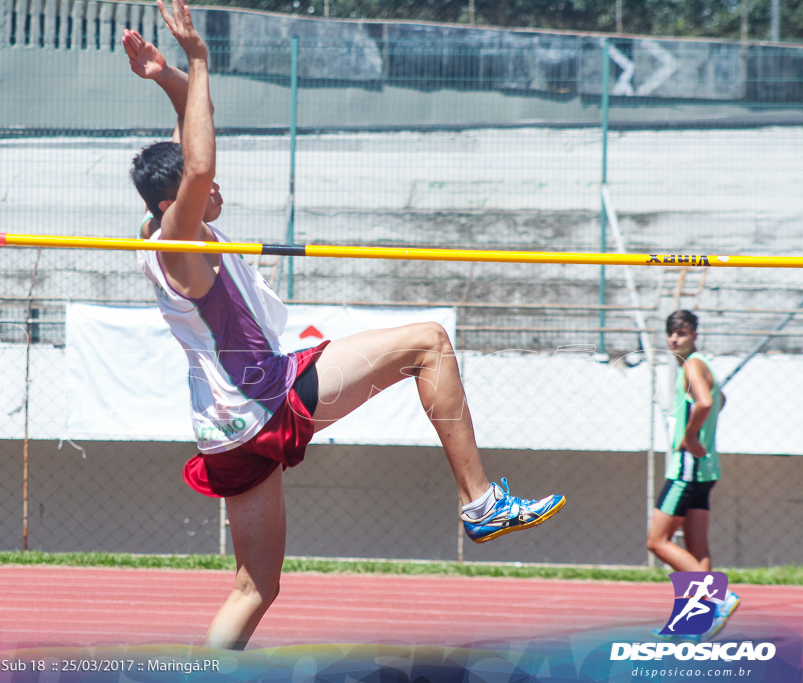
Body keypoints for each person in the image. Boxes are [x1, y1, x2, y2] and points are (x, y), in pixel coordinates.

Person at [124, 0, 566, 650]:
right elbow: (198, 165)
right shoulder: (175, 241)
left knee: (256, 587)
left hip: (225, 426)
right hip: (263, 395)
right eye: (201, 191)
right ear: (171, 205)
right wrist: (198, 57)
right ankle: (480, 502)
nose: (217, 188)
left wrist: (168, 77)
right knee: (428, 343)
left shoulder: (159, 233)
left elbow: (199, 131)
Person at [648, 310, 739, 641]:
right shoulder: (702, 364)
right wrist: (704, 430)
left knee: (657, 541)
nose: (674, 339)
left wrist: (689, 437)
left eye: (681, 333)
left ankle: (718, 599)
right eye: (670, 333)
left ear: (695, 334)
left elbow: (703, 402)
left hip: (687, 468)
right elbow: (719, 399)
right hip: (706, 469)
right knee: (697, 547)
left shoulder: (692, 365)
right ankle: (694, 623)